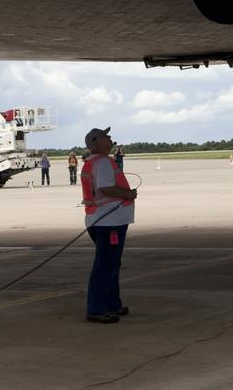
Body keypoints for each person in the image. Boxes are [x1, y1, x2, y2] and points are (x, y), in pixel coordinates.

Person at [81, 127, 137, 324]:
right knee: (105, 266)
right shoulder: (103, 162)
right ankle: (96, 308)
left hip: (101, 219)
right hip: (109, 222)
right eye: (106, 136)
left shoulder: (93, 161)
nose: (110, 137)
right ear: (96, 143)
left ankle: (113, 303)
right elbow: (105, 188)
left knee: (111, 264)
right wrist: (127, 194)